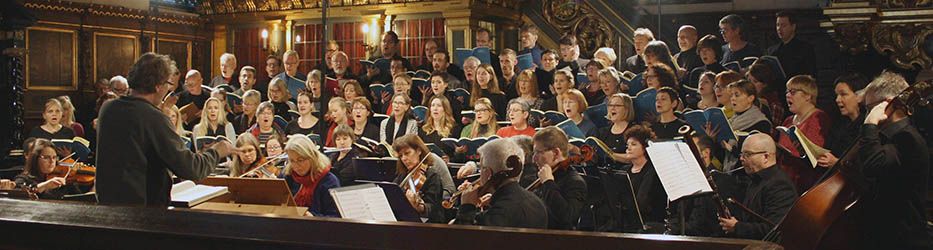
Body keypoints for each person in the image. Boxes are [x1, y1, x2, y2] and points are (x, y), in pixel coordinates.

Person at [96, 53, 237, 207]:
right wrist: (218, 150)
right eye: (168, 84)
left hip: (107, 206)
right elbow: (191, 168)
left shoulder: (108, 108)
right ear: (158, 86)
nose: (168, 90)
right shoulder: (153, 118)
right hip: (142, 213)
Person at [853, 71, 929, 249]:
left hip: (902, 240)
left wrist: (870, 124)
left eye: (869, 108)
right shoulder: (889, 136)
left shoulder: (906, 138)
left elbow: (873, 165)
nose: (867, 114)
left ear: (886, 105)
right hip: (885, 236)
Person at [455, 138, 548, 229]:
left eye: (482, 168)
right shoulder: (537, 203)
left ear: (488, 173)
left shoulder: (499, 213)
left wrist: (466, 208)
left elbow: (463, 240)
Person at [718, 133, 796, 239]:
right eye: (741, 154)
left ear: (766, 157)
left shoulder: (780, 185)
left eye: (747, 154)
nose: (741, 158)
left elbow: (774, 229)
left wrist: (737, 227)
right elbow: (749, 217)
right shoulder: (755, 179)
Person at [778, 75, 831, 193]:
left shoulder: (818, 118)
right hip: (784, 180)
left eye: (793, 92)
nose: (787, 95)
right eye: (787, 91)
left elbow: (814, 154)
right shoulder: (788, 120)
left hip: (804, 182)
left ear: (808, 96)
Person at [531, 126, 587, 230]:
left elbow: (567, 217)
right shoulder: (543, 174)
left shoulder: (575, 182)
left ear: (556, 153)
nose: (534, 159)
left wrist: (548, 183)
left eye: (538, 152)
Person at [393, 135, 450, 223]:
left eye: (407, 153)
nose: (404, 158)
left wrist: (420, 207)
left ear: (419, 151)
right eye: (401, 155)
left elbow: (434, 208)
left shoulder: (432, 175)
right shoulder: (403, 176)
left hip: (429, 225)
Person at [620, 125, 667, 232]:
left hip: (647, 222)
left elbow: (643, 202)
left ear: (645, 147)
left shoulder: (653, 171)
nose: (629, 148)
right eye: (628, 145)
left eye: (634, 144)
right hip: (626, 219)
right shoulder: (624, 170)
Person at [818, 73, 868, 168]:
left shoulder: (868, 126)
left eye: (843, 94)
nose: (837, 99)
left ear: (859, 96)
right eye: (837, 95)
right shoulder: (839, 124)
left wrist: (837, 163)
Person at [283, 134, 340, 217]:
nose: (296, 165)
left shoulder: (329, 181)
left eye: (300, 160)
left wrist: (314, 218)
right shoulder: (288, 176)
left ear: (312, 157)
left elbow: (335, 217)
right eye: (292, 160)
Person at [15, 138, 85, 199]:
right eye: (46, 157)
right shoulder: (23, 179)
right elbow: (19, 193)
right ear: (35, 159)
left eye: (54, 157)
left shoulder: (65, 179)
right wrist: (45, 185)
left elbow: (81, 200)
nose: (52, 161)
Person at [767, 11, 815, 78]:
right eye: (777, 25)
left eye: (783, 25)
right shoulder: (772, 51)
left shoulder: (805, 48)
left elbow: (811, 74)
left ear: (793, 27)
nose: (779, 29)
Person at [592, 93, 636, 164]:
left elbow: (634, 158)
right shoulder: (602, 132)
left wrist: (610, 155)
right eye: (610, 105)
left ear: (627, 109)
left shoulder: (634, 131)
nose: (612, 108)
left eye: (617, 105)